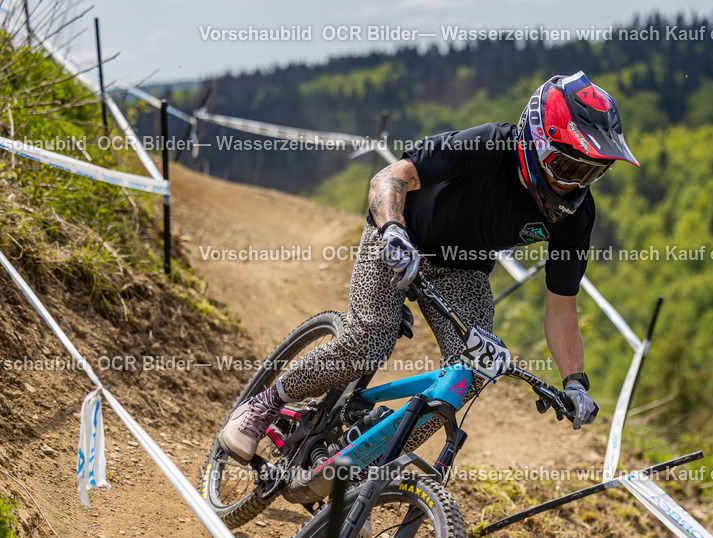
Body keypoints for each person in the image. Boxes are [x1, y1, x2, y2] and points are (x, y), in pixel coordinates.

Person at [218, 70, 638, 465]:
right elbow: (389, 178)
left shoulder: (575, 217)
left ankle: (360, 465)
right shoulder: (486, 146)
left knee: (470, 372)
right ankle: (264, 406)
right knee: (368, 341)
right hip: (402, 235)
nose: (573, 184)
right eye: (567, 166)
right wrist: (393, 231)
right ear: (535, 141)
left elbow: (562, 307)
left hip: (463, 270)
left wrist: (575, 382)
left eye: (591, 173)